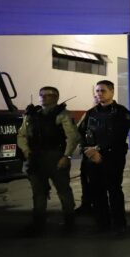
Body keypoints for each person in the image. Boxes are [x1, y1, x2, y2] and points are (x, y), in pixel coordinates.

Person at [17, 85, 80, 235]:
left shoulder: (62, 114)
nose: (43, 97)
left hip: (55, 156)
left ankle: (69, 223)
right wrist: (26, 150)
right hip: (35, 157)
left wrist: (66, 156)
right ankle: (38, 224)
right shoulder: (31, 114)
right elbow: (21, 135)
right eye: (41, 95)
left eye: (48, 95)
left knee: (63, 191)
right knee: (38, 192)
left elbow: (73, 137)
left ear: (56, 97)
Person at [77, 80, 130, 235]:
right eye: (97, 91)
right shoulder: (91, 113)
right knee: (97, 191)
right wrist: (88, 150)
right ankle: (102, 223)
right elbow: (81, 133)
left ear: (112, 92)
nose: (99, 94)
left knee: (114, 190)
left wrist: (98, 149)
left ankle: (119, 224)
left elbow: (119, 136)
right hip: (92, 158)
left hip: (113, 158)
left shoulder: (121, 112)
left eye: (103, 91)